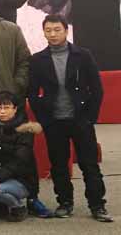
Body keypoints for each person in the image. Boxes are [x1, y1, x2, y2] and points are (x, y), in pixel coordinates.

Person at [28, 15, 112, 222]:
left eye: (57, 29)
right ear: (44, 32)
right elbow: (32, 93)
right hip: (54, 121)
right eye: (48, 30)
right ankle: (65, 202)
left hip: (80, 119)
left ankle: (97, 205)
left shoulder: (83, 55)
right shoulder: (38, 60)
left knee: (89, 164)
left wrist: (90, 118)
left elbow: (97, 89)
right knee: (58, 165)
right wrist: (44, 119)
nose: (53, 34)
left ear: (66, 31)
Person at [0, 91, 40, 222]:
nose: (2, 112)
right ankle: (3, 204)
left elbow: (19, 161)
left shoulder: (25, 129)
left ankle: (18, 207)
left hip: (22, 179)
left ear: (15, 109)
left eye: (6, 108)